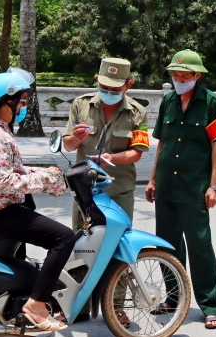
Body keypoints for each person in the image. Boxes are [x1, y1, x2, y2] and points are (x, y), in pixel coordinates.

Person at [0, 69, 74, 332]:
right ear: (7, 102)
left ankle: (4, 316)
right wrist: (47, 182)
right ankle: (36, 306)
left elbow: (8, 169)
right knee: (63, 238)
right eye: (21, 102)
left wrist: (43, 171)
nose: (23, 108)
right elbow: (3, 182)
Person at [144, 49, 216, 329]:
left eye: (184, 75)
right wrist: (153, 179)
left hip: (195, 187)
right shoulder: (168, 100)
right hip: (167, 185)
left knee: (200, 245)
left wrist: (214, 185)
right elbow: (162, 143)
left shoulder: (211, 102)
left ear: (197, 76)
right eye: (175, 75)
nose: (178, 79)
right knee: (167, 245)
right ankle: (173, 297)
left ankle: (211, 304)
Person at [62, 58, 150, 229]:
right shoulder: (80, 105)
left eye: (115, 89)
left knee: (118, 241)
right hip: (85, 188)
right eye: (104, 87)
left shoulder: (137, 112)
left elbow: (136, 153)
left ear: (128, 85)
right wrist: (76, 138)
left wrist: (112, 158)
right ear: (97, 81)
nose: (109, 92)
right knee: (82, 243)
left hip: (119, 189)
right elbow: (68, 145)